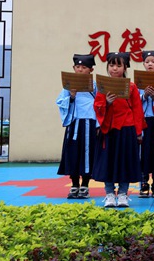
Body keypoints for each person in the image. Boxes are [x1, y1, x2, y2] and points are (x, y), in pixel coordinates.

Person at [92, 52, 146, 208]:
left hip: (127, 128)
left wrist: (138, 132)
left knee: (125, 161)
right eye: (111, 65)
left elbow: (137, 110)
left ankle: (123, 194)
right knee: (107, 162)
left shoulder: (132, 87)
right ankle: (109, 194)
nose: (114, 68)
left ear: (125, 68)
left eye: (118, 65)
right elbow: (97, 106)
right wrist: (107, 103)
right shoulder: (103, 86)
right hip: (109, 129)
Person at [56, 54, 98, 199]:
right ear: (73, 68)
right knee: (73, 153)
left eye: (84, 67)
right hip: (74, 124)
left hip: (89, 123)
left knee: (87, 154)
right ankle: (74, 184)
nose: (80, 70)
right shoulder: (69, 86)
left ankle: (85, 185)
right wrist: (71, 96)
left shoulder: (95, 86)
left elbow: (99, 103)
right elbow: (61, 102)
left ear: (91, 70)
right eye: (77, 67)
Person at [138, 50, 154, 199]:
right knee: (144, 152)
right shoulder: (139, 81)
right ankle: (143, 182)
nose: (150, 64)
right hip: (144, 121)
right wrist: (144, 96)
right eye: (147, 62)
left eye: (153, 62)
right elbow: (134, 101)